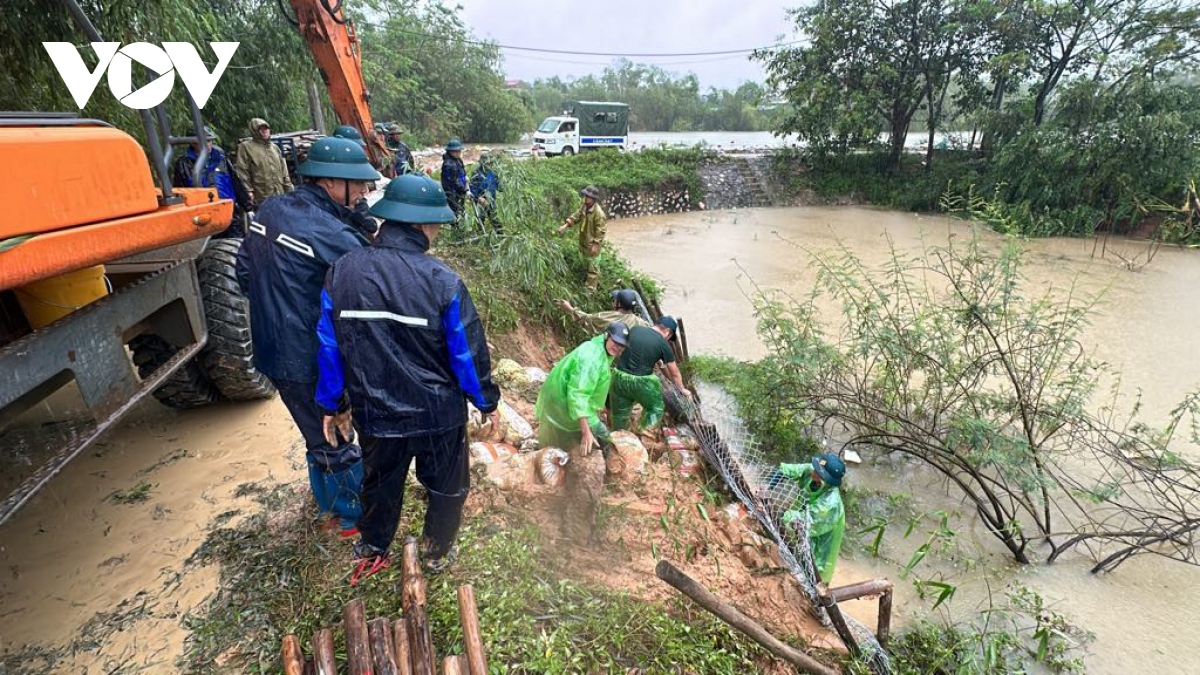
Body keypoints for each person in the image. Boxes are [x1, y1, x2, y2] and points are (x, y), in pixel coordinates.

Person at [316, 173, 502, 584]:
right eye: (435, 223)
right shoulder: (442, 281)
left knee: (380, 481)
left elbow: (329, 348)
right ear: (421, 225)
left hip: (376, 411)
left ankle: (373, 546)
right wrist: (486, 400)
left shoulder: (342, 272)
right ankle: (435, 553)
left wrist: (332, 403)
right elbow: (465, 353)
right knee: (446, 487)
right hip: (437, 413)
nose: (437, 231)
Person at [236, 136, 380, 540]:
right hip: (311, 356)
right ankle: (354, 518)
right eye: (359, 185)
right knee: (338, 433)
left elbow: (243, 271)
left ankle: (328, 509)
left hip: (271, 347)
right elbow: (362, 306)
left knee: (314, 430)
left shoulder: (272, 208)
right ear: (332, 183)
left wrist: (276, 308)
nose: (365, 193)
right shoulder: (334, 236)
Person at [535, 322, 629, 541]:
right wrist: (586, 431)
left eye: (623, 346)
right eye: (616, 343)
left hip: (564, 405)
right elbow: (577, 395)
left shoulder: (601, 350)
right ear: (607, 336)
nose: (618, 348)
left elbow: (593, 388)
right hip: (562, 407)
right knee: (596, 440)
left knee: (580, 439)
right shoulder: (591, 358)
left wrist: (599, 410)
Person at [611, 316, 689, 433]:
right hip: (641, 383)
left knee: (619, 414)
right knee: (655, 408)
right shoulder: (663, 343)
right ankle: (644, 434)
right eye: (669, 337)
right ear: (668, 332)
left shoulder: (635, 329)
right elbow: (674, 373)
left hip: (618, 377)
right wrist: (682, 389)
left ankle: (619, 437)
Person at [778, 453, 846, 584]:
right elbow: (783, 470)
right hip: (799, 531)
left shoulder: (829, 505)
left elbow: (801, 522)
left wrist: (778, 514)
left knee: (813, 579)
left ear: (828, 480)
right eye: (816, 469)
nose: (814, 473)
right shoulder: (812, 471)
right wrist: (767, 487)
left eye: (819, 474)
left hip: (820, 548)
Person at [171, 125, 251, 237]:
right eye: (205, 141)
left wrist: (248, 206)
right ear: (193, 143)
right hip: (204, 218)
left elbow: (235, 183)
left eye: (210, 141)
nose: (209, 144)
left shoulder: (221, 159)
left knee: (236, 246)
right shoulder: (184, 164)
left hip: (230, 215)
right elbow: (180, 192)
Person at [234, 117, 293, 208]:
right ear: (255, 131)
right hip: (261, 196)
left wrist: (290, 190)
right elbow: (242, 170)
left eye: (266, 128)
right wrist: (248, 191)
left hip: (279, 195)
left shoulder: (275, 148)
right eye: (261, 129)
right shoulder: (246, 147)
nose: (264, 131)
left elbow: (284, 171)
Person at [557, 185, 606, 288]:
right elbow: (577, 215)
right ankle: (594, 283)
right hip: (584, 241)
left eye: (588, 197)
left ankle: (590, 292)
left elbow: (601, 231)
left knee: (592, 269)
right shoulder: (584, 206)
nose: (585, 198)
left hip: (592, 244)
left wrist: (596, 245)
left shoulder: (599, 214)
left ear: (593, 199)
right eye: (585, 196)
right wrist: (565, 226)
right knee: (586, 264)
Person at [560, 288, 650, 334]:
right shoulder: (643, 324)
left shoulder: (608, 318)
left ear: (618, 304)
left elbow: (587, 319)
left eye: (615, 300)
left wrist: (570, 309)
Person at [468, 148, 502, 231]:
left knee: (494, 218)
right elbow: (472, 188)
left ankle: (500, 234)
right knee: (480, 218)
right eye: (487, 164)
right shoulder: (476, 174)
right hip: (481, 201)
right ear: (482, 164)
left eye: (491, 164)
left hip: (491, 200)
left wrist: (504, 188)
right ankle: (481, 233)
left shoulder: (493, 173)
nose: (489, 165)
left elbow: (499, 186)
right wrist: (479, 198)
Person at [440, 139, 468, 221]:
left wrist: (465, 179)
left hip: (460, 191)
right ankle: (456, 229)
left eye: (459, 151)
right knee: (455, 212)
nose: (459, 153)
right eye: (456, 151)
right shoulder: (448, 164)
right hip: (452, 192)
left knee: (461, 210)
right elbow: (454, 180)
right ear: (450, 151)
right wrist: (465, 190)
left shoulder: (458, 160)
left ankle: (462, 227)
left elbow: (462, 172)